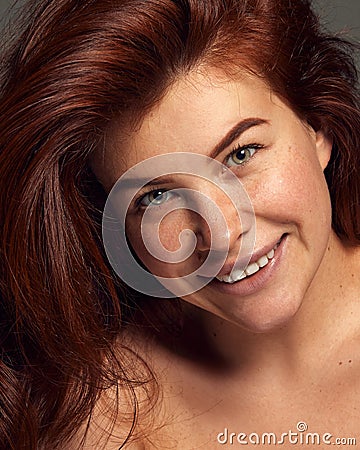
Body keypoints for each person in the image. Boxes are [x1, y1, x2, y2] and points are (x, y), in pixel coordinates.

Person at [1, 0, 359, 448]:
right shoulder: (106, 418)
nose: (221, 233)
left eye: (241, 155)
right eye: (157, 196)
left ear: (316, 127)